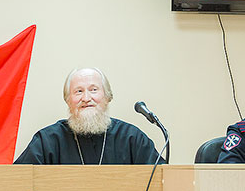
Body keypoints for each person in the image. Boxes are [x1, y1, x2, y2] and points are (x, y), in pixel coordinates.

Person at [14, 67, 163, 165]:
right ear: (68, 100)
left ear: (107, 97)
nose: (86, 98)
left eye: (93, 90)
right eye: (78, 91)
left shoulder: (131, 138)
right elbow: (17, 181)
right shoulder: (47, 140)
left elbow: (163, 180)